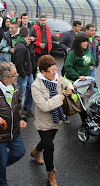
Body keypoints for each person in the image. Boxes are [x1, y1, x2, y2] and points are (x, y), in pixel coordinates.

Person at [31, 55, 74, 186]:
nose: (55, 73)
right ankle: (51, 173)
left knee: (46, 143)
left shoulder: (56, 78)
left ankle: (35, 151)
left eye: (56, 69)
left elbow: (65, 81)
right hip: (43, 122)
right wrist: (60, 97)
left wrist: (69, 87)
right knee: (49, 147)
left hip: (56, 120)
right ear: (43, 72)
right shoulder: (36, 86)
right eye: (52, 70)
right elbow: (44, 106)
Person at [13, 27, 34, 117]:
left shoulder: (23, 44)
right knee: (21, 95)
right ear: (28, 35)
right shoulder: (21, 47)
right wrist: (23, 74)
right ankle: (19, 113)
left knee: (32, 90)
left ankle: (26, 108)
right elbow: (18, 63)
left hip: (27, 73)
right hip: (24, 74)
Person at [20, 13, 37, 77]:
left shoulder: (32, 28)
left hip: (30, 49)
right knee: (22, 64)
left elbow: (36, 37)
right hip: (22, 49)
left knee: (32, 65)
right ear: (21, 19)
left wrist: (33, 38)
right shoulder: (19, 27)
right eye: (24, 18)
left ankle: (32, 77)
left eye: (26, 18)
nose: (25, 20)